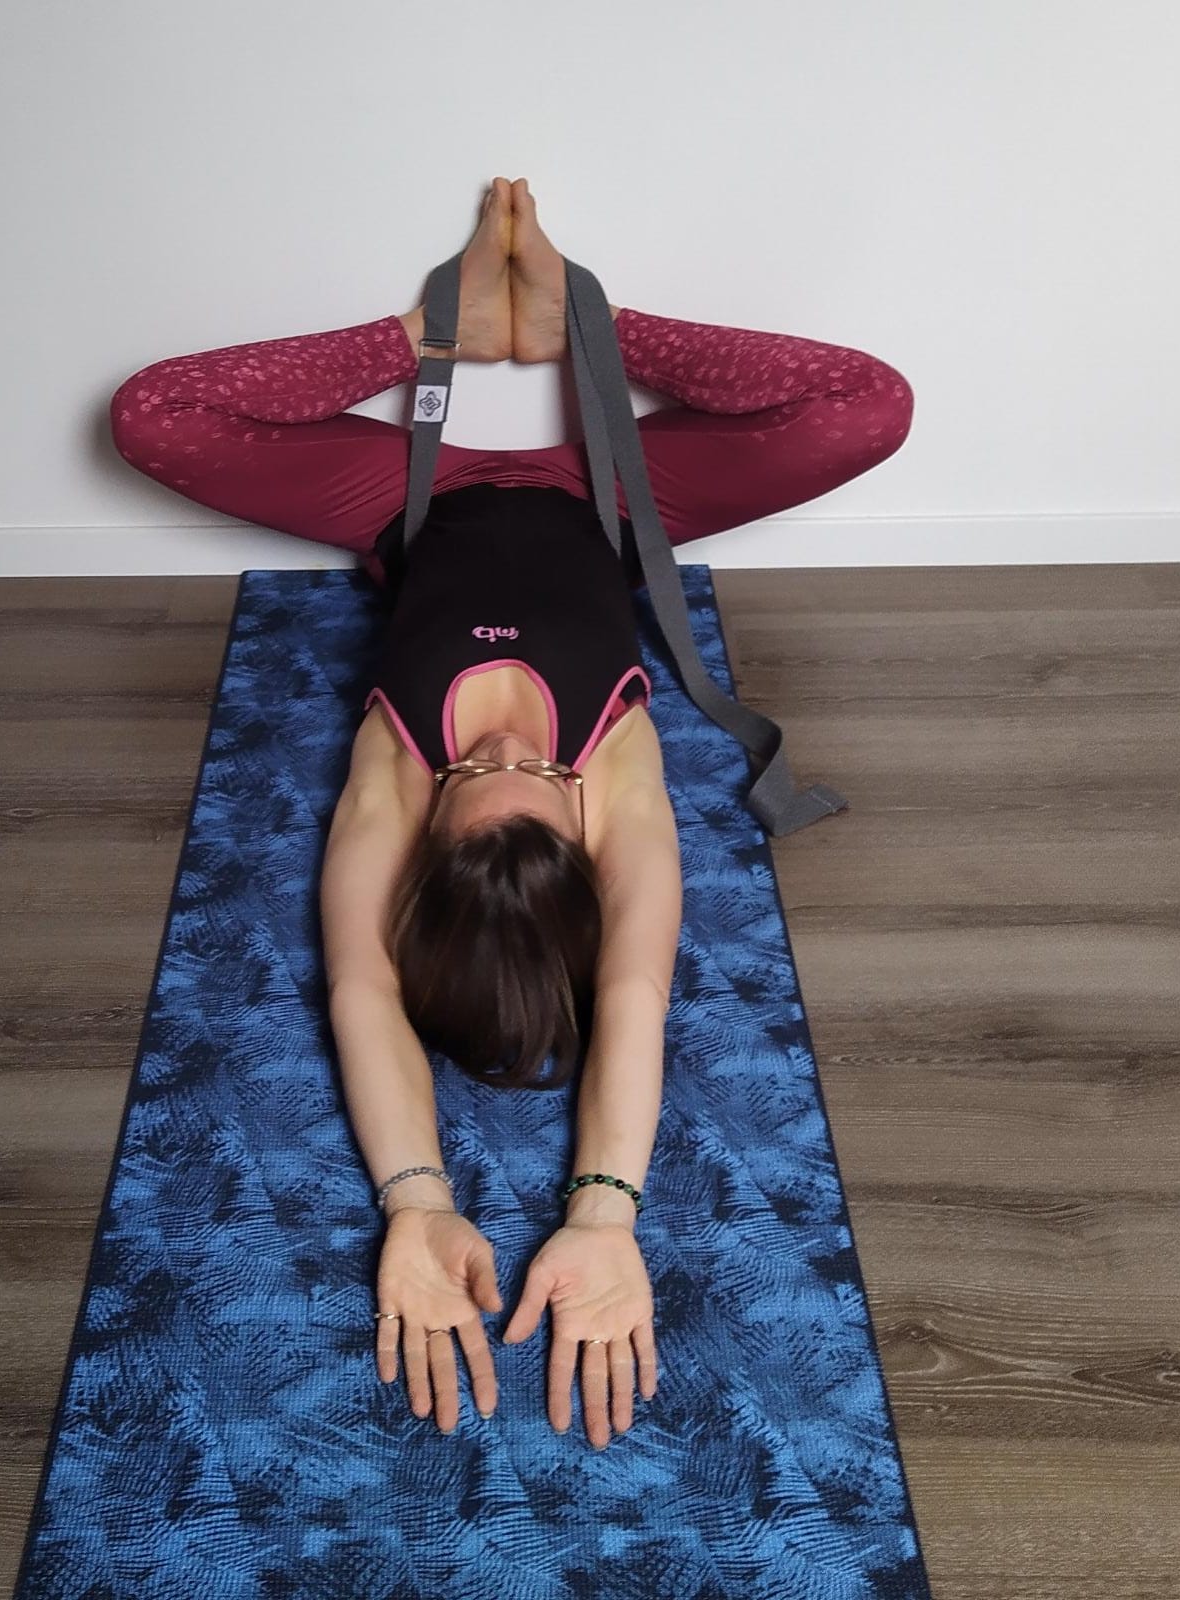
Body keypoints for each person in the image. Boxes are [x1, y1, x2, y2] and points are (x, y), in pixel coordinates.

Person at [108, 177, 914, 1448]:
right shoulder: (616, 791)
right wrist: (602, 1212)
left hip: (410, 497)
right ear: (574, 822)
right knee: (868, 409)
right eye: (521, 775)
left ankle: (489, 329)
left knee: (151, 419)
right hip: (611, 494)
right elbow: (633, 997)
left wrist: (417, 1203)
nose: (491, 749)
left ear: (428, 839)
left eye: (467, 779)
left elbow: (362, 992)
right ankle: (571, 330)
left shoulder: (396, 780)